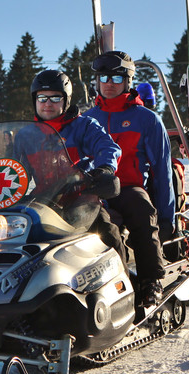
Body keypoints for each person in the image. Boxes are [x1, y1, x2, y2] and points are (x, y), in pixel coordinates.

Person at [82, 50, 176, 307]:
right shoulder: (87, 120)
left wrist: (167, 217)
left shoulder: (146, 120)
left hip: (128, 187)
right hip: (96, 191)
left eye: (115, 77)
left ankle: (150, 280)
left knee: (141, 209)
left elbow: (162, 172)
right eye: (103, 78)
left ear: (127, 81)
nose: (109, 83)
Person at [21, 69, 127, 266]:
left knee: (107, 234)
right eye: (42, 98)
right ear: (34, 100)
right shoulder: (25, 135)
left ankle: (124, 286)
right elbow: (10, 167)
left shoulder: (83, 125)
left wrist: (104, 170)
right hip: (42, 203)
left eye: (55, 98)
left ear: (66, 100)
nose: (47, 104)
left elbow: (108, 147)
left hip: (82, 199)